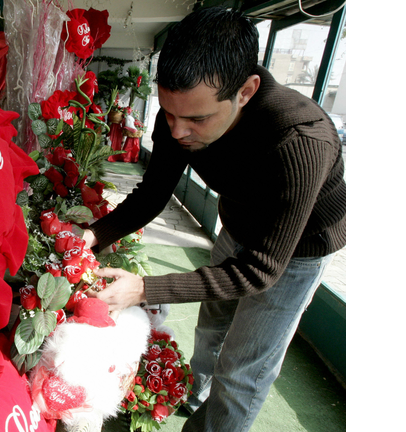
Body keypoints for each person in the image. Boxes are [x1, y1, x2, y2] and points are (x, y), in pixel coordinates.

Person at [81, 6, 345, 432]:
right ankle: (194, 390)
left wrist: (144, 289)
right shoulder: (180, 111)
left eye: (197, 119)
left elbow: (261, 270)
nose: (178, 130)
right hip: (238, 220)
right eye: (168, 113)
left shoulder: (300, 139)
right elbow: (153, 193)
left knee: (241, 373)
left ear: (246, 91)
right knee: (211, 326)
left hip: (297, 249)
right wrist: (90, 237)